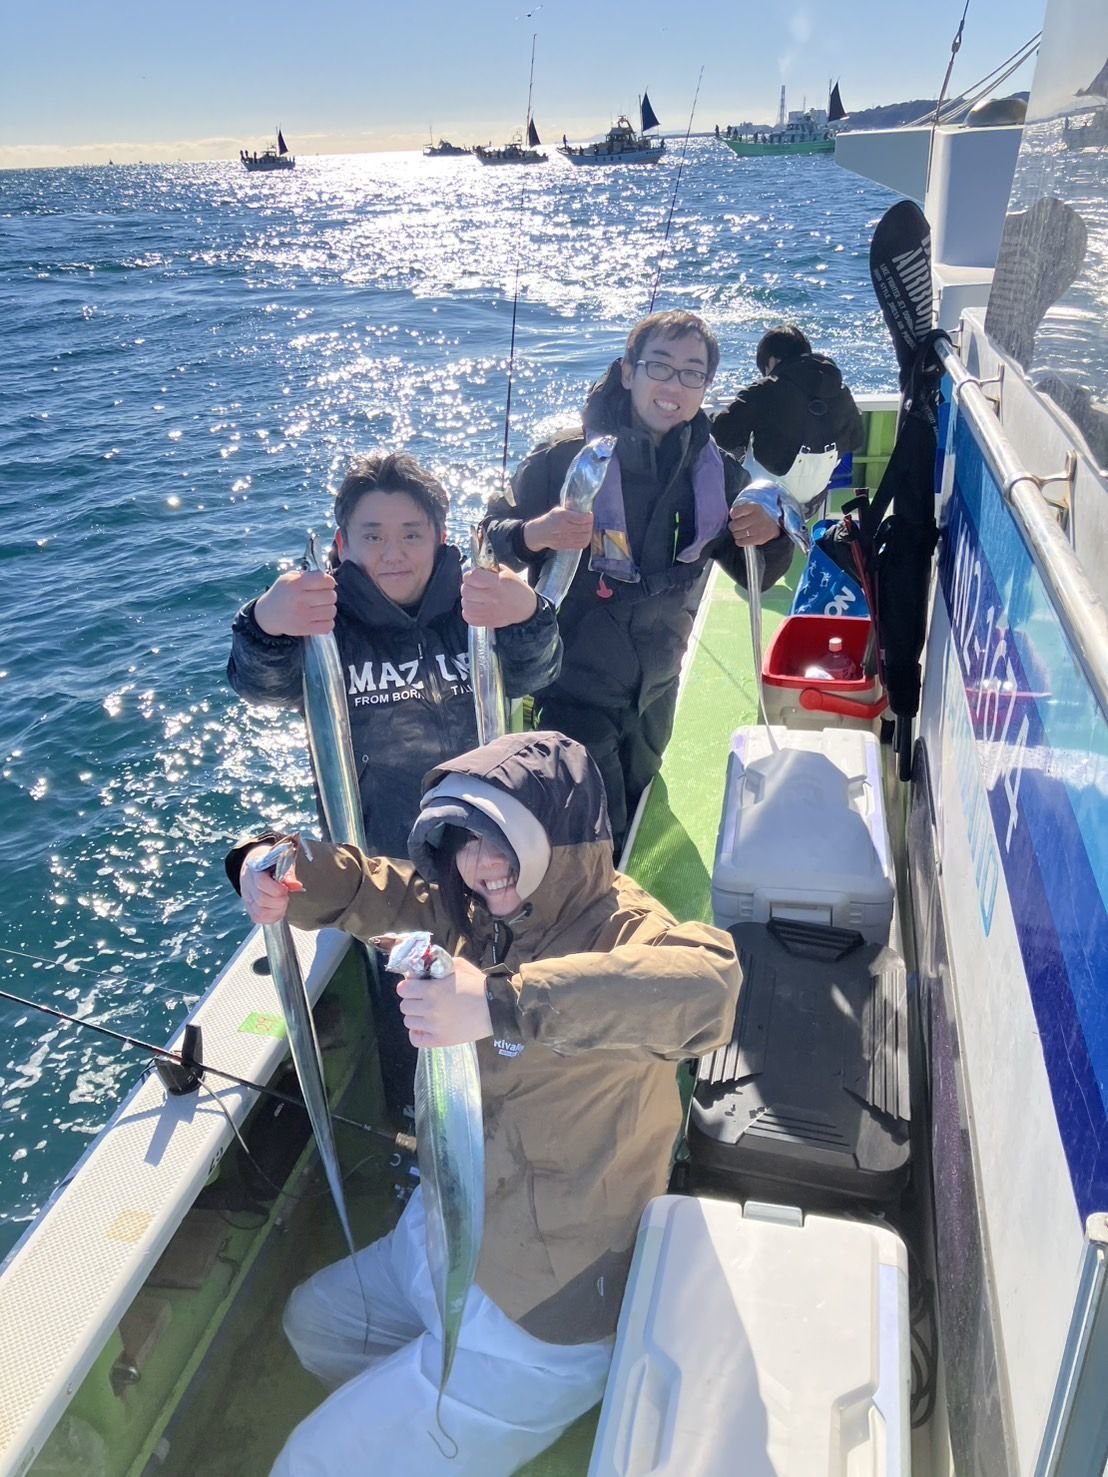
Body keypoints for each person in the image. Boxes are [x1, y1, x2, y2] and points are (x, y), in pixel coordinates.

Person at [232, 729, 741, 1476]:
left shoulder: (627, 929)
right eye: (465, 840)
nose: (482, 862)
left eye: (503, 838)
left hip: (545, 1312)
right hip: (444, 1234)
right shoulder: (470, 908)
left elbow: (709, 989)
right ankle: (420, 1430)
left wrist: (499, 1002)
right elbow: (376, 889)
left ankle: (442, 1425)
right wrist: (275, 864)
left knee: (309, 1463)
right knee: (314, 1324)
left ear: (558, 841)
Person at [228, 451, 561, 1112]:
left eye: (411, 533)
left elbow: (537, 671)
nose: (393, 552)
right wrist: (264, 623)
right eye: (373, 535)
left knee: (502, 982)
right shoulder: (322, 627)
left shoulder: (476, 606)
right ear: (343, 544)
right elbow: (258, 684)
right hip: (383, 863)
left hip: (488, 851)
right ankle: (415, 1113)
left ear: (440, 537)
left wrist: (529, 613)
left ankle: (516, 1099)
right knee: (409, 1009)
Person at [481, 309, 793, 851]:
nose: (673, 385)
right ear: (628, 371)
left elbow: (759, 576)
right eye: (659, 366)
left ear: (706, 386)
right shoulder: (566, 458)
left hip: (657, 690)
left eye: (692, 373)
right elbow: (488, 539)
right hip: (573, 690)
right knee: (593, 834)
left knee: (641, 803)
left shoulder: (717, 472)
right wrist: (535, 533)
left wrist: (770, 534)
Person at [712, 324, 864, 487]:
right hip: (817, 489)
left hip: (766, 491)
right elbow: (856, 441)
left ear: (772, 361)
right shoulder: (841, 390)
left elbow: (721, 435)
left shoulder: (766, 389)